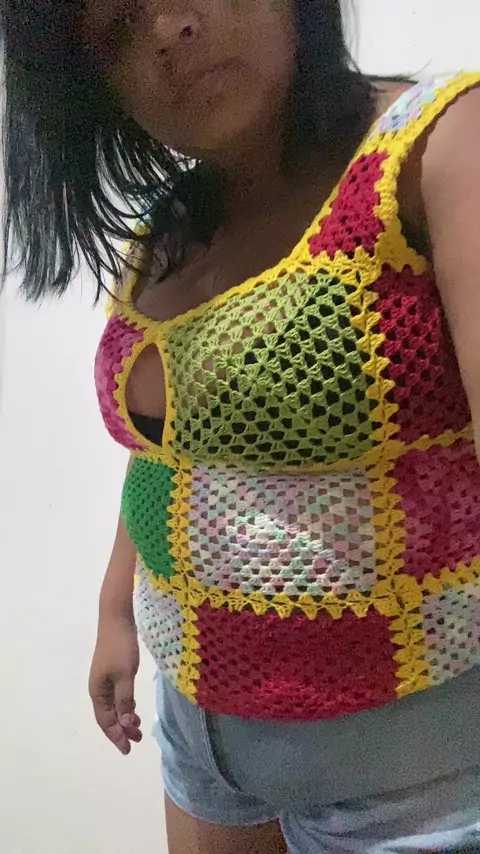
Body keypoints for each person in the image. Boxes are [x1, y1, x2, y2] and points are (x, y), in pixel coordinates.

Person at [3, 2, 480, 852]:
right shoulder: (167, 229)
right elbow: (168, 449)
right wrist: (116, 609)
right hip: (200, 735)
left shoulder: (439, 145)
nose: (166, 30)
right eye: (116, 31)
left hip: (408, 769)